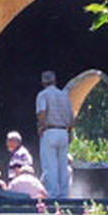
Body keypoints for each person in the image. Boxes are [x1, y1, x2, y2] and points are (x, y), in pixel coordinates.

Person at [35, 70, 74, 199]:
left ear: (43, 82)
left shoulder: (43, 95)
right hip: (63, 131)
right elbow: (71, 117)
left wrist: (41, 126)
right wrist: (70, 132)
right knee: (63, 165)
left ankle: (52, 194)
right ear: (55, 81)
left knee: (50, 165)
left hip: (50, 131)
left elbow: (42, 112)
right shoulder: (64, 95)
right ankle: (64, 194)